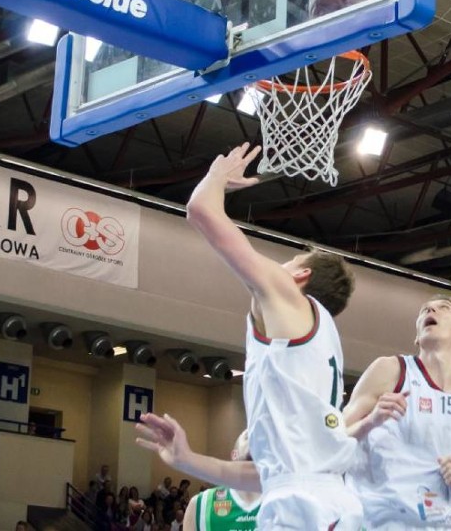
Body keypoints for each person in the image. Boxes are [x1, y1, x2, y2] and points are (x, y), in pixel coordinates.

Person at [136, 142, 361, 529]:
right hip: (322, 499)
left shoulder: (288, 296)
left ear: (300, 276)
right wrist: (188, 460)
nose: (278, 264)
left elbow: (201, 211)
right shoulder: (313, 340)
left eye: (290, 260)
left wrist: (216, 178)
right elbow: (264, 476)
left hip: (305, 505)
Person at [344, 295, 451, 530]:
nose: (430, 310)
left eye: (443, 308)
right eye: (425, 309)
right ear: (417, 337)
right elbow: (334, 437)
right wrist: (371, 422)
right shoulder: (391, 370)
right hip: (382, 520)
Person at [184, 431, 261, 531]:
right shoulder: (200, 504)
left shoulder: (284, 501)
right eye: (248, 436)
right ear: (234, 455)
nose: (255, 441)